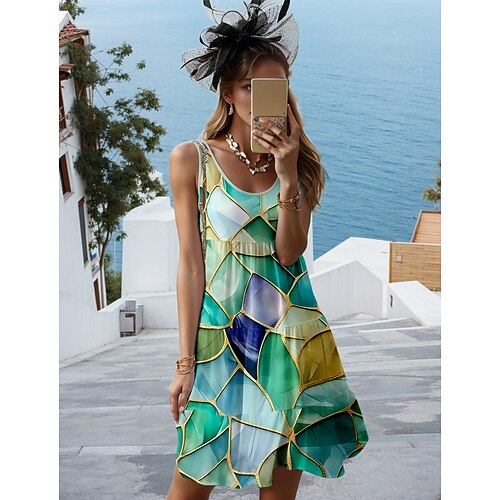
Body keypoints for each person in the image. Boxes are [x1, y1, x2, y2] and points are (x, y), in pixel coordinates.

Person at [166, 2, 369, 499]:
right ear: (227, 93)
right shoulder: (192, 159)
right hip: (220, 345)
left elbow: (289, 253)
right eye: (249, 88)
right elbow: (191, 264)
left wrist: (287, 176)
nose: (262, 100)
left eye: (274, 88)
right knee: (188, 486)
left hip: (289, 345)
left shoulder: (298, 165)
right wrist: (185, 363)